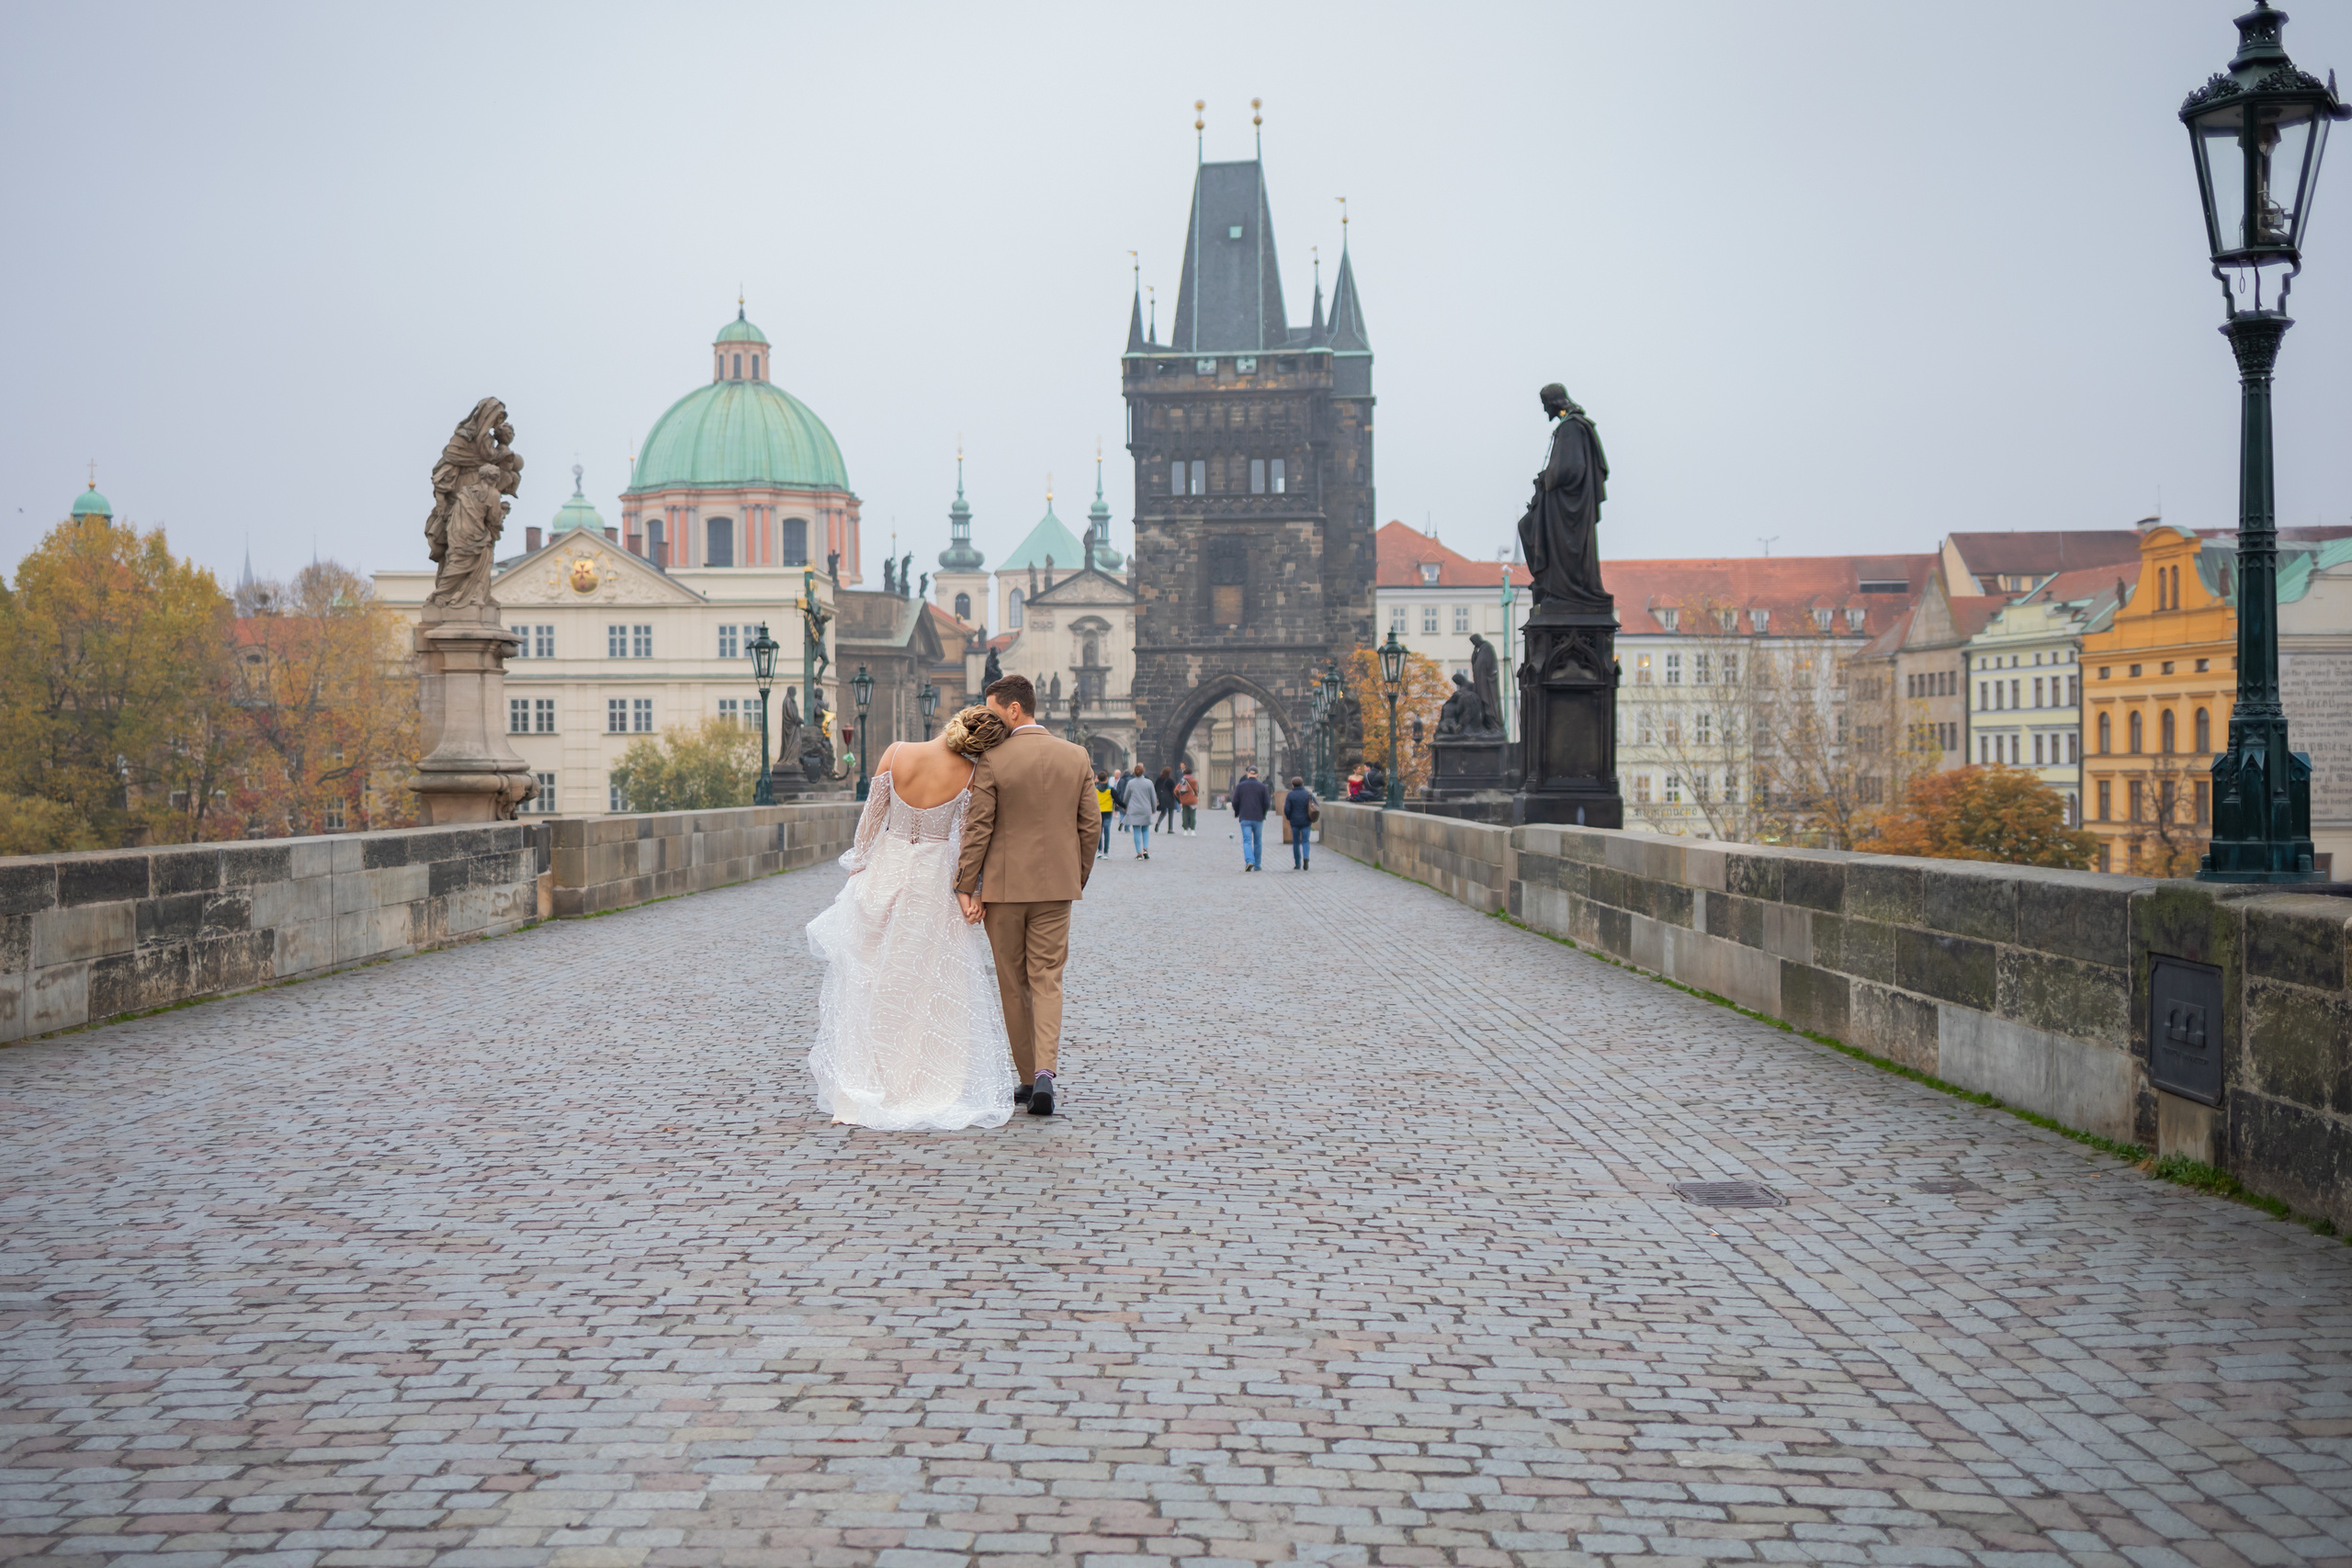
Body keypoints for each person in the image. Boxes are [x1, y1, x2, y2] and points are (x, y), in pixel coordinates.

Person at [804, 705, 1021, 1131]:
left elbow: (869, 823)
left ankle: (869, 1078)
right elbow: (966, 842)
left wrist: (859, 871)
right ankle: (920, 1079)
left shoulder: (896, 752)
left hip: (886, 867)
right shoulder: (971, 776)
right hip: (932, 878)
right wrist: (969, 892)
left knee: (872, 980)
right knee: (926, 983)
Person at [956, 674, 1101, 1116]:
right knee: (1047, 978)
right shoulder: (1076, 756)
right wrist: (1073, 876)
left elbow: (978, 827)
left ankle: (1024, 1077)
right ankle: (1045, 1075)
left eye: (992, 709)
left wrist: (966, 885)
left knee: (1013, 984)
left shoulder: (993, 760)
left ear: (1014, 709)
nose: (987, 717)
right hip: (1056, 888)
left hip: (1003, 890)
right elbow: (1090, 826)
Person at [1229, 764, 1271, 872]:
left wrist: (1238, 812)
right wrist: (1263, 813)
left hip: (1245, 817)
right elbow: (1267, 803)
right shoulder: (1263, 787)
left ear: (1248, 774)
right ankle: (1257, 865)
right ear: (1257, 775)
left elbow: (1234, 802)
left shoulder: (1240, 786)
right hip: (1258, 818)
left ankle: (1249, 861)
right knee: (1258, 841)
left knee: (1247, 841)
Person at [1283, 775, 1317, 870]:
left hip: (1294, 822)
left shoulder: (1290, 795)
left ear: (1293, 785)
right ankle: (1306, 857)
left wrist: (1289, 817)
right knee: (1305, 840)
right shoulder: (1308, 794)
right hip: (1306, 821)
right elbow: (1315, 806)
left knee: (1296, 842)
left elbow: (1287, 809)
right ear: (1302, 784)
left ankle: (1297, 863)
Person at [1123, 762, 1156, 858]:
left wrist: (1125, 807)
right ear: (1143, 772)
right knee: (1145, 830)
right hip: (1146, 809)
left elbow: (1126, 797)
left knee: (1136, 831)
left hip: (1134, 810)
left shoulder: (1131, 783)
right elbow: (1153, 798)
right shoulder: (1149, 783)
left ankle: (1139, 853)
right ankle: (1145, 849)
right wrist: (1153, 809)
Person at [1094, 770, 1115, 858]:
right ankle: (1106, 852)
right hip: (1108, 812)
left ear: (1098, 778)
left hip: (1098, 812)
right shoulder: (1110, 789)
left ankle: (1099, 850)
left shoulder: (1094, 789)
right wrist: (1125, 806)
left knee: (1099, 832)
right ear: (1107, 778)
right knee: (1106, 832)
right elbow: (1118, 799)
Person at [1176, 767, 1200, 835]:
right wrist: (1195, 795)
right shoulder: (1194, 781)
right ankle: (1192, 830)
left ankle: (1185, 830)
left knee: (1185, 815)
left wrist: (1180, 797)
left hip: (1184, 801)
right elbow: (1195, 790)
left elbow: (1176, 791)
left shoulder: (1182, 781)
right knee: (1192, 815)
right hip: (1192, 801)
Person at [1153, 767, 1177, 833]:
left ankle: (1158, 823)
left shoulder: (1158, 780)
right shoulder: (1171, 781)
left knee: (1163, 813)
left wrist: (1158, 796)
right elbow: (1173, 791)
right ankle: (1170, 829)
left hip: (1162, 798)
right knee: (1171, 814)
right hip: (1170, 798)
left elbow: (1155, 788)